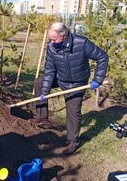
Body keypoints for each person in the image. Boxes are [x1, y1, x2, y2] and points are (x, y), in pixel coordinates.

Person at [32, 22, 108, 155]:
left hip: (77, 83)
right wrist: (45, 91)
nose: (51, 42)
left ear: (64, 35)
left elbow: (102, 56)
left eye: (54, 39)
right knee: (39, 83)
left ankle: (72, 142)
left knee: (73, 111)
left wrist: (98, 79)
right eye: (50, 38)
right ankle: (42, 117)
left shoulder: (82, 43)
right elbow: (50, 70)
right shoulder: (51, 47)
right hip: (61, 77)